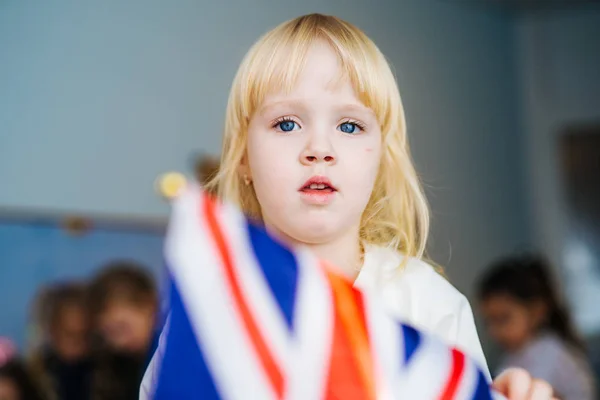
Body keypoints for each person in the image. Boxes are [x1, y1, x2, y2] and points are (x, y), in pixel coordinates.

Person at [143, 13, 554, 399]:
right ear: (244, 159)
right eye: (287, 124)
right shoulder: (207, 308)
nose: (319, 149)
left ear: (379, 161)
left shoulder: (427, 305)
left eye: (349, 126)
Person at [478, 255, 596, 400]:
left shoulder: (550, 353)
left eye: (503, 318)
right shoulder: (510, 358)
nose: (494, 330)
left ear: (536, 312)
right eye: (488, 321)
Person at [88, 262, 158, 400]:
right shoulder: (121, 370)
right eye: (107, 335)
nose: (118, 344)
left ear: (149, 304)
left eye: (122, 328)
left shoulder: (176, 355)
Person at [29, 282, 93, 400]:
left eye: (84, 335)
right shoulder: (34, 379)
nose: (78, 343)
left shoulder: (107, 375)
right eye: (70, 335)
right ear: (52, 330)